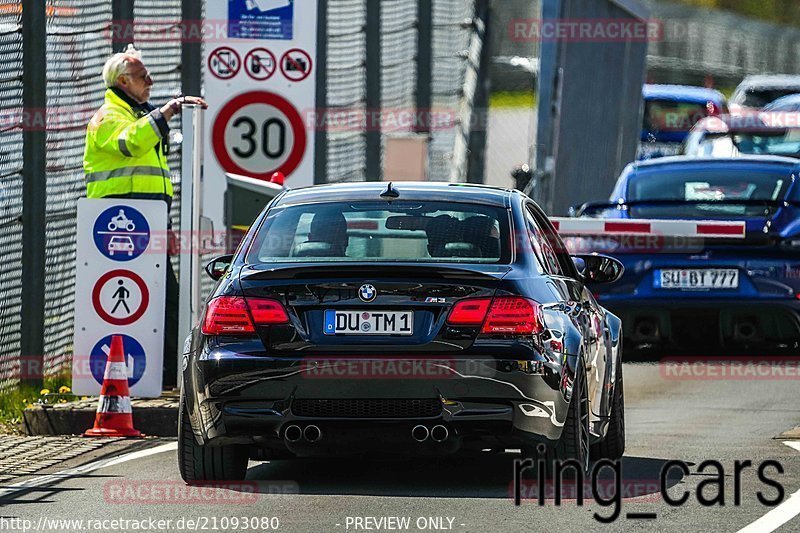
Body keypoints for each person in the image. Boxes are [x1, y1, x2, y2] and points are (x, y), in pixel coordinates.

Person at [84, 44, 207, 389]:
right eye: (143, 77)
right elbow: (130, 144)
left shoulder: (136, 114)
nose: (150, 82)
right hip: (115, 224)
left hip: (145, 218)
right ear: (123, 81)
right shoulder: (109, 117)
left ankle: (164, 372)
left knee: (161, 294)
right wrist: (167, 112)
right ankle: (147, 373)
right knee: (145, 295)